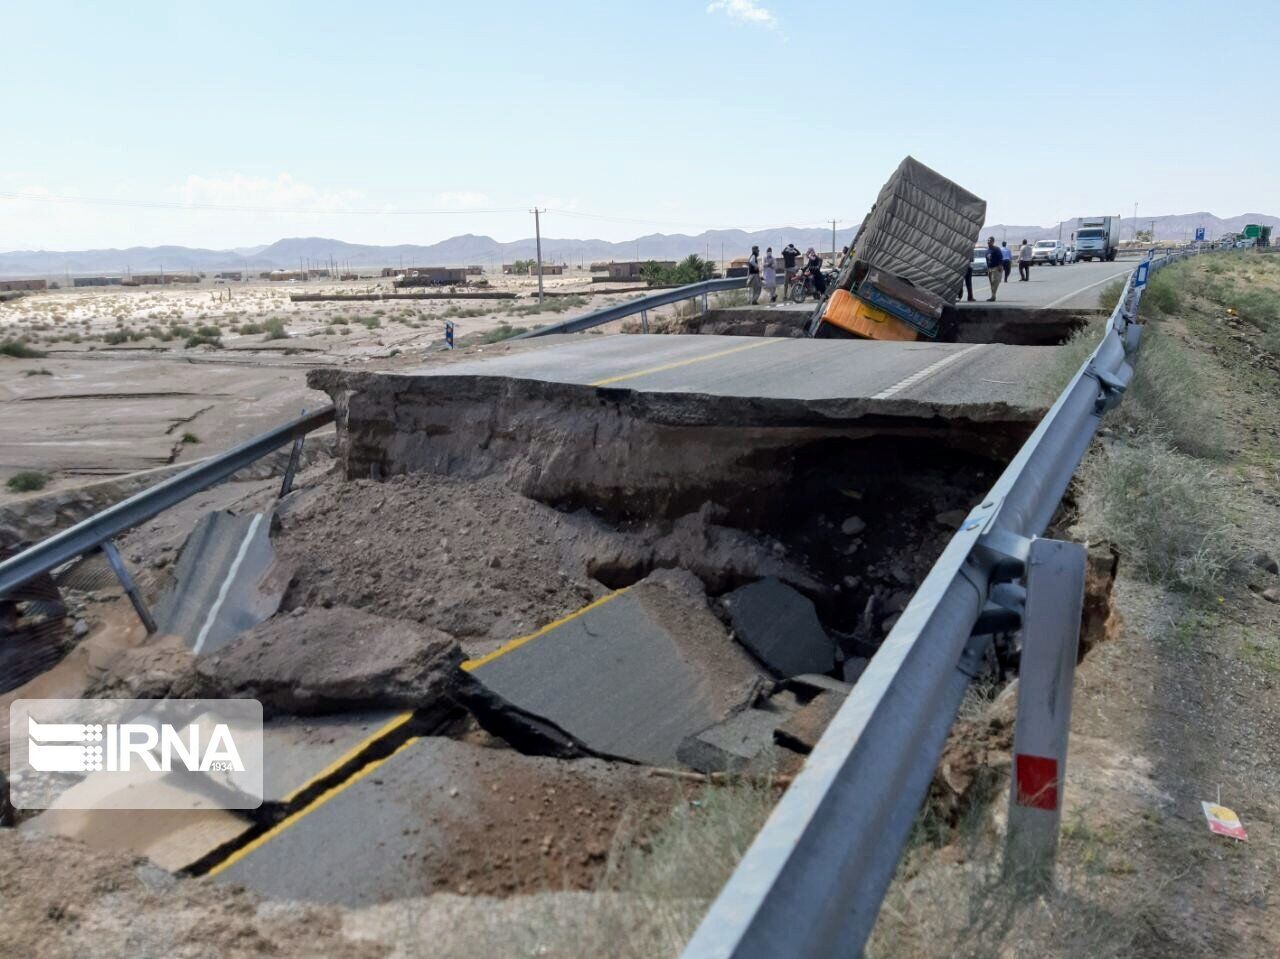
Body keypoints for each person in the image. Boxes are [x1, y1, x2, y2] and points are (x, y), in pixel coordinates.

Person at [984, 237, 1003, 301]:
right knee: (991, 283)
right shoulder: (987, 250)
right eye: (988, 240)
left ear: (993, 242)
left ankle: (993, 296)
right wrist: (987, 268)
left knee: (994, 282)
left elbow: (1000, 257)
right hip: (990, 268)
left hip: (996, 268)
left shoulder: (996, 249)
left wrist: (1000, 265)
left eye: (990, 240)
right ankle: (993, 295)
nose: (988, 241)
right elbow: (987, 260)